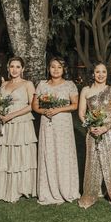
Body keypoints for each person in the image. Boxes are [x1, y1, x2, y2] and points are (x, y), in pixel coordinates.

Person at [32, 57, 80, 205]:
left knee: (63, 154)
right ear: (49, 68)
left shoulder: (69, 85)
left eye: (59, 67)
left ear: (63, 69)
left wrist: (58, 109)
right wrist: (43, 111)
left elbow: (75, 105)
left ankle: (66, 189)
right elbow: (35, 106)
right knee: (49, 152)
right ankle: (48, 190)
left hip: (63, 124)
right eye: (53, 67)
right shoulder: (42, 85)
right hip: (47, 124)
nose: (56, 70)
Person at [0, 56, 37, 203]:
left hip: (22, 122)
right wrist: (0, 112)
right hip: (6, 123)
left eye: (18, 67)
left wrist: (12, 115)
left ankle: (23, 187)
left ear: (23, 69)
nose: (14, 69)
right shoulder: (4, 84)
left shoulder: (28, 84)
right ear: (8, 68)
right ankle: (7, 187)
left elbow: (33, 106)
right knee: (8, 151)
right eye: (12, 66)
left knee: (21, 151)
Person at [77, 62, 111, 209]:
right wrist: (90, 126)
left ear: (108, 74)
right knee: (93, 161)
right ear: (92, 73)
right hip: (92, 130)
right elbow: (81, 113)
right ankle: (90, 193)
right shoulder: (86, 90)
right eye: (97, 72)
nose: (101, 75)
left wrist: (106, 127)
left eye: (104, 72)